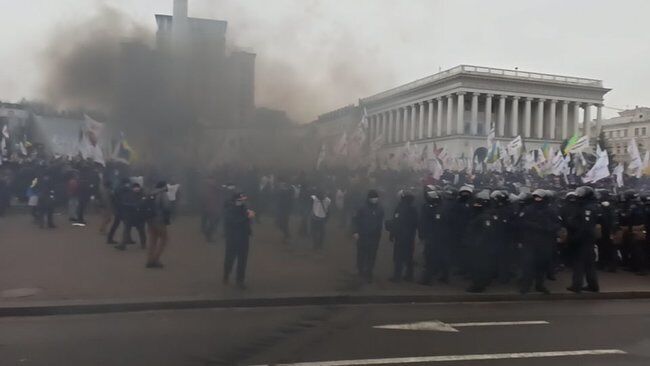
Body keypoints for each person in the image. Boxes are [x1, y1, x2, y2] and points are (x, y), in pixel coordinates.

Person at [518, 189, 560, 294]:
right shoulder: (528, 209)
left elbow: (558, 223)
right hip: (530, 241)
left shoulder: (551, 210)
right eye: (535, 197)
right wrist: (533, 226)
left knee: (541, 265)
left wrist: (548, 228)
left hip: (544, 241)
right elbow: (521, 223)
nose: (537, 199)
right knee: (528, 264)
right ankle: (526, 286)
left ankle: (540, 285)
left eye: (539, 197)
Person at [566, 186, 601, 293]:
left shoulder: (588, 207)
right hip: (587, 238)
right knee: (589, 263)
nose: (578, 194)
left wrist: (576, 237)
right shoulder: (586, 205)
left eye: (581, 193)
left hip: (583, 239)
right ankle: (593, 286)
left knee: (579, 263)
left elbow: (586, 225)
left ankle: (576, 285)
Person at [418, 186, 450, 284]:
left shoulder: (429, 208)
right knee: (440, 257)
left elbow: (424, 223)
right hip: (440, 237)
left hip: (432, 237)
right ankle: (444, 276)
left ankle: (427, 279)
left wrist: (422, 235)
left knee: (429, 258)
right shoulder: (442, 208)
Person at [351, 190, 384, 283]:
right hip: (363, 235)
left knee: (372, 255)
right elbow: (355, 220)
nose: (375, 199)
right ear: (369, 198)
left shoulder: (380, 209)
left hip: (374, 236)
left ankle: (369, 272)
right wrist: (355, 232)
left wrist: (379, 233)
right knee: (361, 254)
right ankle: (361, 271)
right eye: (373, 197)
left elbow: (380, 223)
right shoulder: (362, 208)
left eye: (376, 197)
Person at [223, 192, 254, 289]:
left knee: (242, 260)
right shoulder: (229, 209)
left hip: (244, 238)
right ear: (234, 200)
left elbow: (246, 221)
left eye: (243, 200)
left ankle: (240, 280)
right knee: (230, 258)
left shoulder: (244, 208)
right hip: (232, 238)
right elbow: (234, 222)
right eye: (240, 200)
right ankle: (226, 275)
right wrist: (247, 217)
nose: (242, 202)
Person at [387, 190, 418, 282]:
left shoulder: (400, 208)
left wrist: (392, 234)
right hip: (410, 236)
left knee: (398, 257)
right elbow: (416, 223)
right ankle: (409, 276)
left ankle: (397, 277)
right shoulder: (413, 209)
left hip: (400, 236)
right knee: (409, 256)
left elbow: (396, 222)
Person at [146, 181, 171, 268]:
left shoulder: (150, 193)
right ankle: (155, 259)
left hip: (150, 219)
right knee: (164, 239)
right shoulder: (163, 194)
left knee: (153, 240)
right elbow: (166, 207)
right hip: (159, 219)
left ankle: (149, 260)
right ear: (164, 186)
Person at [116, 183, 147, 250]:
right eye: (135, 187)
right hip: (131, 216)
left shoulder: (142, 195)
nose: (136, 189)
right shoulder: (139, 194)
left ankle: (143, 244)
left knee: (140, 231)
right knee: (128, 230)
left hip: (138, 216)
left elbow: (143, 204)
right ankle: (123, 245)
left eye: (137, 187)